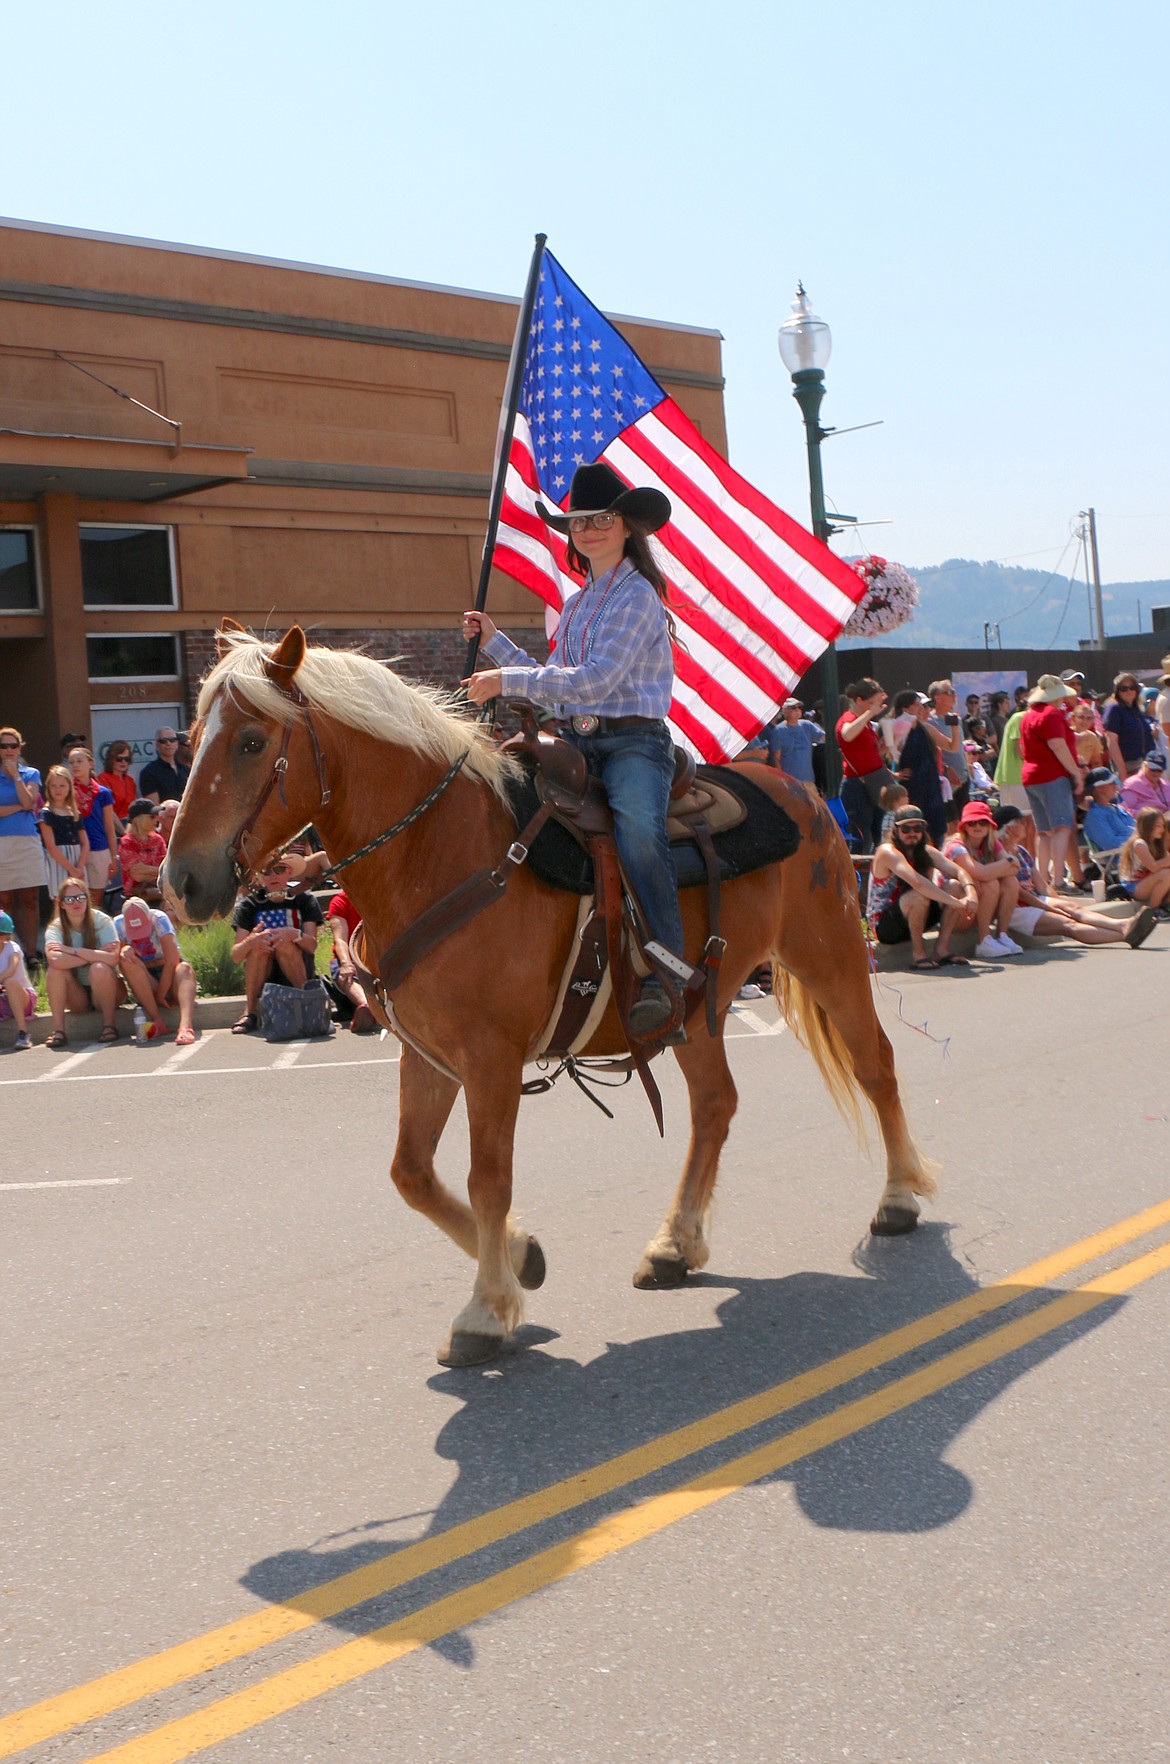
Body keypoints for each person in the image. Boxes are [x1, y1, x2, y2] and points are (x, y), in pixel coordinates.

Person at [464, 460, 684, 1037]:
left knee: (638, 828)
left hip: (634, 740)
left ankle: (668, 970)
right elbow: (558, 680)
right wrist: (495, 644)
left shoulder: (638, 595)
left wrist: (506, 682)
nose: (587, 530)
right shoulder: (583, 600)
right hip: (579, 739)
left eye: (601, 519)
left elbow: (595, 682)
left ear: (628, 526)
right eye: (579, 521)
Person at [993, 805, 1157, 950]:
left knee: (1073, 908)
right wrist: (1049, 908)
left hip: (1035, 899)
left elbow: (1041, 886)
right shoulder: (998, 856)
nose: (1026, 825)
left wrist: (1056, 902)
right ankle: (1123, 934)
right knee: (1068, 924)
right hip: (1015, 909)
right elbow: (1019, 893)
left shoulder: (1021, 851)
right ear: (1009, 828)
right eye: (1021, 822)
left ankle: (1123, 924)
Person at [865, 804, 973, 970]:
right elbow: (919, 883)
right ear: (895, 830)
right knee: (919, 894)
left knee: (955, 886)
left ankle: (941, 951)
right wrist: (958, 903)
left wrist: (971, 894)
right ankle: (919, 955)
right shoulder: (887, 852)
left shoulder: (926, 851)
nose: (912, 833)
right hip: (885, 926)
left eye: (917, 828)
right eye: (906, 829)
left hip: (916, 914)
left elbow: (959, 871)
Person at [229, 856, 324, 1035]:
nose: (273, 876)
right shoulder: (250, 904)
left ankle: (304, 1003)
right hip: (263, 970)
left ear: (289, 872)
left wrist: (294, 934)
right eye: (266, 871)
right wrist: (251, 941)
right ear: (260, 877)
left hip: (297, 965)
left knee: (284, 944)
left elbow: (311, 946)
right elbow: (236, 955)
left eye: (279, 870)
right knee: (257, 949)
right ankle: (250, 1011)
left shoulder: (304, 899)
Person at [1019, 675, 1083, 894]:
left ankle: (1042, 879)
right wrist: (1076, 772)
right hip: (1052, 775)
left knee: (1044, 831)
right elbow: (1057, 745)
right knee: (1062, 827)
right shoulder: (1052, 714)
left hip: (1031, 776)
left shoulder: (1028, 716)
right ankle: (1058, 880)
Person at [43, 875, 121, 1047]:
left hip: (107, 987)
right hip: (77, 992)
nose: (76, 903)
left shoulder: (102, 921)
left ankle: (110, 1026)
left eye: (80, 897)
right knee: (55, 972)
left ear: (87, 899)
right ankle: (59, 1031)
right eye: (69, 899)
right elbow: (55, 960)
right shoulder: (55, 928)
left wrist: (72, 952)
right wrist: (95, 954)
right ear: (61, 904)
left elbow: (113, 958)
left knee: (99, 968)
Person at [943, 799, 1023, 959]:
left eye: (982, 822)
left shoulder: (992, 842)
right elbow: (983, 873)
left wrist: (1001, 867)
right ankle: (983, 941)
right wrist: (1006, 863)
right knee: (990, 883)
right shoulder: (956, 846)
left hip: (981, 906)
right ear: (964, 826)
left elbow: (1016, 868)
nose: (977, 827)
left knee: (1010, 882)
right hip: (958, 913)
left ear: (990, 826)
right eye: (972, 823)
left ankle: (1002, 935)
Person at [115, 895, 197, 1044]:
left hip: (169, 972)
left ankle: (185, 1027)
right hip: (145, 977)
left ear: (149, 917)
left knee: (184, 969)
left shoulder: (159, 918)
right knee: (127, 961)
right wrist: (125, 949)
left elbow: (172, 959)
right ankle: (157, 1021)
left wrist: (161, 995)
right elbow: (120, 965)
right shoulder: (118, 924)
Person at [0, 726, 46, 963]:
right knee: (4, 899)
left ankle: (30, 952)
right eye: (4, 746)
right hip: (1, 844)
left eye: (13, 746)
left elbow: (31, 801)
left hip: (27, 841)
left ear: (20, 748)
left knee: (29, 898)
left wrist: (16, 776)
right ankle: (8, 953)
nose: (8, 751)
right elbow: (25, 805)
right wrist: (20, 807)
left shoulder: (30, 773)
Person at [835, 677, 894, 854]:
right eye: (871, 703)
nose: (874, 708)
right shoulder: (849, 718)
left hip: (873, 783)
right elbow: (846, 734)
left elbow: (865, 753)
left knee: (879, 835)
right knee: (860, 839)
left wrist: (884, 748)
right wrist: (870, 713)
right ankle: (858, 880)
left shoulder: (866, 722)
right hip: (856, 787)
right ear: (859, 700)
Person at [891, 689, 947, 844]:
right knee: (914, 828)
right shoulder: (898, 728)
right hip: (912, 788)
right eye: (918, 705)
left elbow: (951, 746)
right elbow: (880, 753)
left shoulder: (924, 728)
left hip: (931, 786)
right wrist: (894, 774)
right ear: (905, 709)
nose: (923, 708)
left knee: (935, 830)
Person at [67, 746, 119, 907]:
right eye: (72, 762)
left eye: (79, 761)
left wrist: (113, 857)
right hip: (75, 849)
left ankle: (94, 930)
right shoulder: (66, 791)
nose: (75, 765)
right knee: (77, 894)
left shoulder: (103, 793)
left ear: (91, 763)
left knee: (96, 897)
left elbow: (109, 827)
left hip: (99, 848)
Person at [325, 887, 378, 1033]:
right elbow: (340, 939)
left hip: (377, 954)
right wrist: (346, 963)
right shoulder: (339, 902)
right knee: (346, 974)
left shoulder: (379, 897)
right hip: (352, 955)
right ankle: (367, 1006)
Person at [38, 764, 91, 898]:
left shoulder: (74, 812)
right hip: (59, 861)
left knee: (80, 896)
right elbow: (51, 846)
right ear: (48, 788)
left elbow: (85, 843)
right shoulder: (46, 813)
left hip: (77, 858)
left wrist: (79, 867)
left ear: (69, 787)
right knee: (60, 898)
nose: (58, 790)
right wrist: (70, 869)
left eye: (62, 786)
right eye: (53, 786)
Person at [926, 680, 968, 824]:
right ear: (937, 698)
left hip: (963, 778)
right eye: (949, 692)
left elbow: (959, 747)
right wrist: (947, 769)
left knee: (964, 822)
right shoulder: (930, 721)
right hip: (946, 781)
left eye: (954, 692)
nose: (954, 695)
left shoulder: (956, 719)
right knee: (950, 824)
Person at [1101, 673, 1154, 778]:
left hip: (1147, 765)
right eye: (1123, 688)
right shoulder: (1114, 708)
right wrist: (1122, 771)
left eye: (1132, 687)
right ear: (1117, 691)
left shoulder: (1137, 709)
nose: (1129, 691)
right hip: (1129, 767)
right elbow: (1112, 742)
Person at [1120, 808, 1170, 914]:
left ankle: (1166, 905)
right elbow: (1153, 867)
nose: (1162, 829)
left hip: (1149, 882)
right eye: (1158, 826)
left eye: (1163, 826)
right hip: (1134, 886)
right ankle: (1153, 909)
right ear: (1147, 826)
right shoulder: (1139, 844)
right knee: (1166, 874)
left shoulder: (1158, 843)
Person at [118, 798, 167, 904]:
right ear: (137, 820)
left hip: (160, 892)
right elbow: (138, 876)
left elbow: (167, 868)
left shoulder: (158, 840)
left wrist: (146, 870)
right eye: (152, 816)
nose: (156, 820)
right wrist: (160, 872)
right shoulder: (127, 843)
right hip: (136, 898)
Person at [0, 909, 36, 1049]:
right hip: (3, 999)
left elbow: (11, 969)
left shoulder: (12, 948)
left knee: (10, 982)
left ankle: (23, 1034)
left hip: (23, 998)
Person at [1082, 767, 1137, 857]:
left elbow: (1136, 827)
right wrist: (1138, 838)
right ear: (1099, 788)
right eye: (1111, 782)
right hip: (1127, 859)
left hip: (1141, 853)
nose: (1116, 784)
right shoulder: (1094, 817)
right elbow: (1110, 844)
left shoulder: (1117, 808)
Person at [769, 698, 823, 784]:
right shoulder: (778, 731)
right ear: (785, 711)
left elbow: (825, 738)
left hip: (808, 780)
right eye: (794, 708)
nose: (797, 710)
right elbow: (776, 758)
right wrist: (782, 780)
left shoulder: (807, 725)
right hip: (790, 781)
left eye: (799, 707)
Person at [138, 728, 191, 804]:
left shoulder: (186, 770)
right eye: (163, 741)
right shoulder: (149, 772)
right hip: (164, 814)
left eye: (172, 740)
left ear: (177, 743)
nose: (168, 743)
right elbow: (154, 806)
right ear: (157, 745)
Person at [96, 740, 139, 821]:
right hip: (113, 823)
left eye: (126, 759)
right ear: (111, 759)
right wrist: (123, 831)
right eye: (119, 759)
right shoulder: (103, 778)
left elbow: (136, 806)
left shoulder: (130, 780)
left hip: (131, 822)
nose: (123, 762)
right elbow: (107, 810)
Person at [1121, 751, 1170, 817]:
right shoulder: (1132, 784)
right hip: (1146, 824)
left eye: (1159, 770)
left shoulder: (1166, 785)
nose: (1156, 773)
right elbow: (1123, 811)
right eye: (1153, 769)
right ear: (1144, 765)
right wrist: (1150, 816)